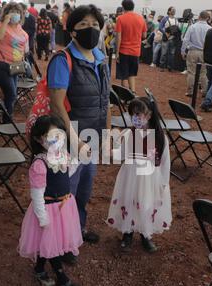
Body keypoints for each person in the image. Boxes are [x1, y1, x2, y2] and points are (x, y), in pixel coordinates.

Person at [47, 4, 111, 264]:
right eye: (84, 25)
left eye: (95, 24)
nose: (91, 29)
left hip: (92, 136)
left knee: (83, 191)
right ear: (72, 31)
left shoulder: (101, 58)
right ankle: (60, 243)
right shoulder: (63, 60)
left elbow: (106, 99)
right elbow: (56, 103)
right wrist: (75, 140)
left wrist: (105, 133)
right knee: (64, 193)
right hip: (68, 138)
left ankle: (77, 230)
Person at [18, 115, 84, 286]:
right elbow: (37, 194)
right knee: (52, 244)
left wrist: (74, 160)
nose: (57, 140)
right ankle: (62, 280)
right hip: (48, 210)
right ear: (40, 139)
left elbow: (68, 172)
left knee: (48, 243)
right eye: (52, 137)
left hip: (64, 207)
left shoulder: (62, 155)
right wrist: (42, 216)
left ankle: (39, 268)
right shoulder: (40, 164)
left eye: (60, 136)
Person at [107, 97, 171, 253]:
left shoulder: (159, 137)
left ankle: (145, 234)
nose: (135, 118)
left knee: (146, 204)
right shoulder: (129, 133)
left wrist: (163, 183)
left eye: (138, 114)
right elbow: (121, 154)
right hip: (129, 177)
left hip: (149, 179)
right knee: (128, 202)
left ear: (149, 115)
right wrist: (109, 152)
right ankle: (127, 234)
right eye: (132, 114)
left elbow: (164, 161)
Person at [0, 2, 29, 122]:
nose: (16, 14)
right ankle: (7, 120)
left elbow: (23, 42)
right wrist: (6, 21)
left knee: (12, 93)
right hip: (2, 64)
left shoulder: (19, 27)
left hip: (16, 65)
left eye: (18, 12)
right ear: (6, 13)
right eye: (12, 12)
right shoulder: (0, 25)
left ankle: (7, 117)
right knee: (12, 93)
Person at [115, 0, 147, 93]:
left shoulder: (120, 19)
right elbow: (144, 35)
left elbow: (118, 37)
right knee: (132, 74)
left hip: (124, 51)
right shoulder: (141, 18)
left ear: (123, 7)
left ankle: (125, 96)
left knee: (124, 75)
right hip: (136, 51)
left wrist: (117, 52)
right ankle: (133, 92)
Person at [181, 11, 211, 98]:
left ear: (199, 17)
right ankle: (205, 91)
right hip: (204, 52)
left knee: (191, 72)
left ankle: (190, 91)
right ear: (207, 18)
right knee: (203, 73)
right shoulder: (210, 28)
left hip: (193, 51)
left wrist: (183, 51)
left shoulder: (192, 27)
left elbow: (186, 40)